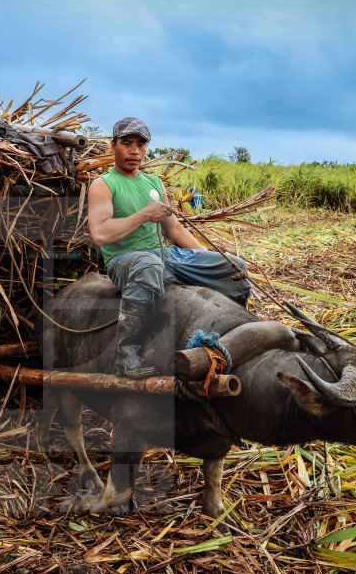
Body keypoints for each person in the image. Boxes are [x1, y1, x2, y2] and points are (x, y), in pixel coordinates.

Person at [88, 117, 252, 378]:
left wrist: (209, 258)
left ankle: (231, 334)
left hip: (165, 257)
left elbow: (175, 230)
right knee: (149, 265)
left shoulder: (154, 184)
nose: (134, 150)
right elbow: (100, 234)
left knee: (234, 267)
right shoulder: (103, 184)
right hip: (126, 260)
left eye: (140, 145)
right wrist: (144, 215)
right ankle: (126, 354)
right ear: (113, 146)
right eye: (127, 143)